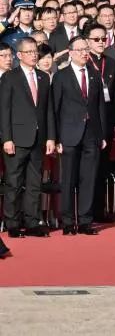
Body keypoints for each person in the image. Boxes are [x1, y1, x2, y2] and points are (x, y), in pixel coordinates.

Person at [1, 37, 54, 240]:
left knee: (34, 182)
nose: (34, 55)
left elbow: (48, 110)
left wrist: (50, 137)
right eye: (29, 52)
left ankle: (32, 222)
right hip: (17, 138)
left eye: (35, 51)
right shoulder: (9, 77)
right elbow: (4, 110)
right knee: (14, 181)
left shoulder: (43, 77)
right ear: (19, 55)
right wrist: (7, 138)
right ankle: (12, 223)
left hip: (39, 138)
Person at [53, 36, 108, 235]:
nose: (84, 53)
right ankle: (68, 221)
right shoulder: (61, 76)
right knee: (68, 179)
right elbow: (55, 109)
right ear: (70, 52)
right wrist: (56, 137)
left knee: (89, 179)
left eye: (86, 49)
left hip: (91, 134)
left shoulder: (94, 74)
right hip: (68, 134)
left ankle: (85, 220)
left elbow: (100, 106)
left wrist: (102, 134)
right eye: (80, 49)